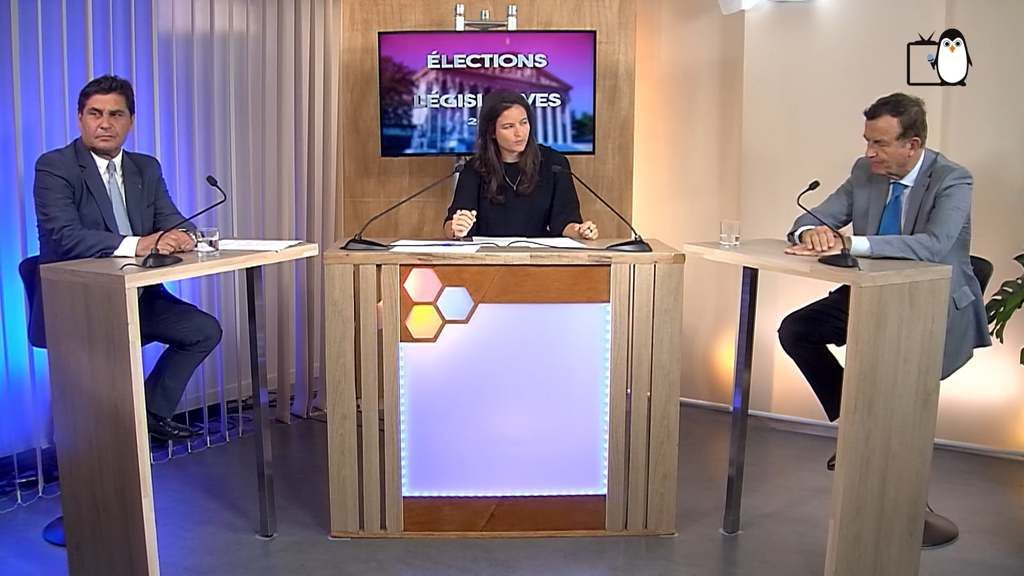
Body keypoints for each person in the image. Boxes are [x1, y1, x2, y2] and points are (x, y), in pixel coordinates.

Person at [778, 93, 991, 465]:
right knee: (796, 330)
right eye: (867, 141)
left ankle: (873, 440)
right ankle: (860, 421)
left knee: (891, 369)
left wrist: (850, 242)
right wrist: (811, 232)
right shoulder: (865, 172)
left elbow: (934, 245)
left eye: (880, 143)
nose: (869, 152)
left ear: (912, 145)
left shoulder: (952, 179)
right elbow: (810, 218)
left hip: (930, 302)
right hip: (872, 293)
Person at [32, 75, 222, 441]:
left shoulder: (145, 167)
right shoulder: (55, 166)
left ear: (131, 121)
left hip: (138, 296)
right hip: (78, 304)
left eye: (116, 114)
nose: (105, 123)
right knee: (100, 383)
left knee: (203, 330)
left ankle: (149, 414)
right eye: (95, 113)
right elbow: (64, 236)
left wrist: (184, 237)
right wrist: (139, 244)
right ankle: (95, 444)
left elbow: (173, 221)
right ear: (80, 118)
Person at [444, 90, 599, 241]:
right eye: (509, 126)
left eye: (524, 123)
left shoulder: (554, 164)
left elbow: (565, 221)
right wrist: (456, 229)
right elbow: (451, 223)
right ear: (492, 132)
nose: (520, 133)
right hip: (488, 255)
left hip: (540, 255)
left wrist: (579, 231)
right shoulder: (474, 168)